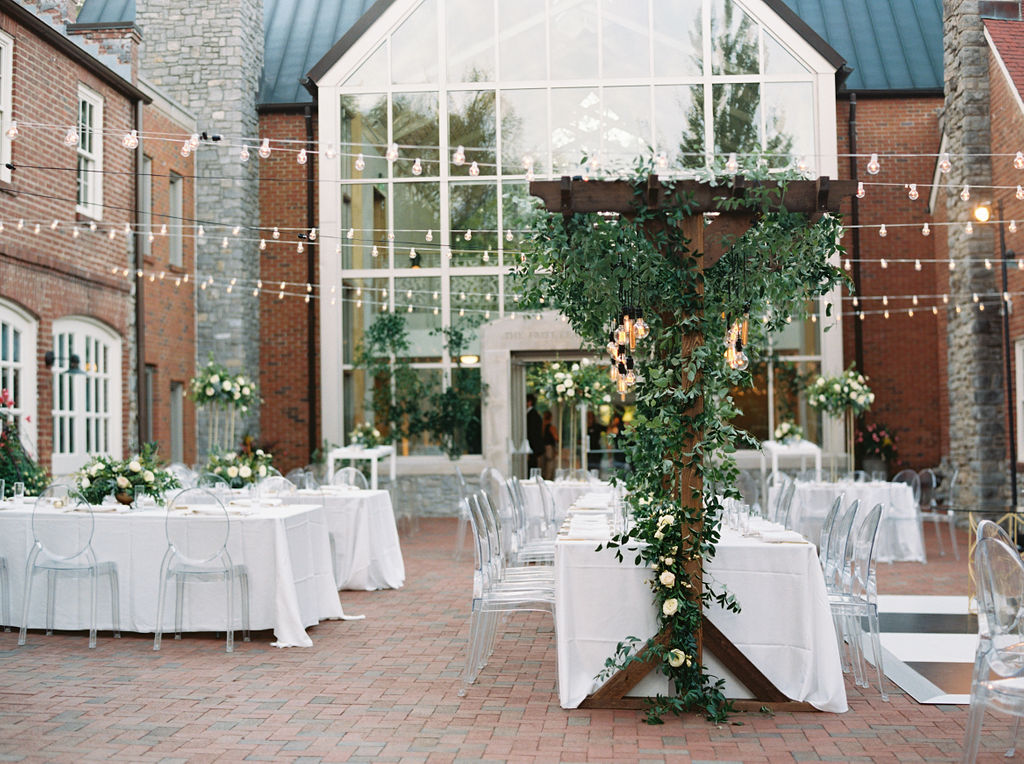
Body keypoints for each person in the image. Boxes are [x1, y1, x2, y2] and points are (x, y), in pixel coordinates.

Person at [526, 393, 543, 473]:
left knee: (531, 467)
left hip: (532, 447)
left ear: (529, 402)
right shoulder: (531, 414)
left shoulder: (533, 415)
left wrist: (529, 448)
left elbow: (532, 433)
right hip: (532, 447)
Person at [541, 409, 559, 480]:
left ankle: (546, 478)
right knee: (550, 465)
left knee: (544, 465)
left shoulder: (542, 426)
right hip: (549, 448)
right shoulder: (551, 427)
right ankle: (548, 479)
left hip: (543, 448)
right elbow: (556, 438)